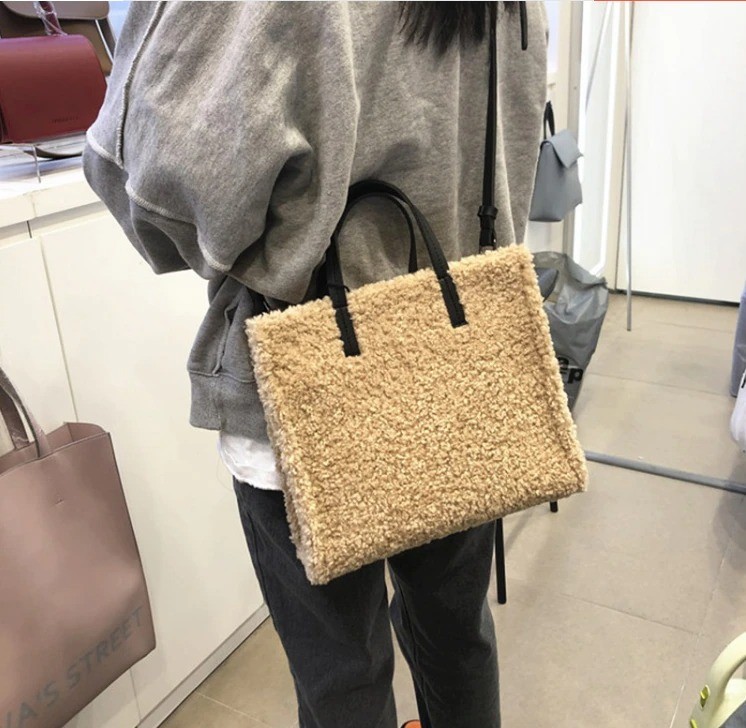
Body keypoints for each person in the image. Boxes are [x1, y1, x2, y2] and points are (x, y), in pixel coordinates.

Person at [84, 2, 547, 726]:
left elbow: (150, 179)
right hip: (459, 376)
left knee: (344, 679)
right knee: (457, 638)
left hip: (310, 385)